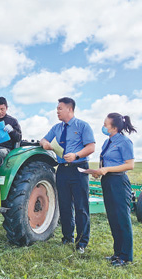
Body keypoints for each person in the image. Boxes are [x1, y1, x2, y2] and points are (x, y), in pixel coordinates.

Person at [40, 97, 95, 253]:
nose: (57, 111)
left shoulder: (83, 126)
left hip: (79, 168)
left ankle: (82, 242)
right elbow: (44, 139)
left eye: (60, 108)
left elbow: (91, 147)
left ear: (70, 109)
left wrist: (76, 155)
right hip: (62, 170)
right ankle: (67, 237)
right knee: (64, 205)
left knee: (81, 206)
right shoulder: (57, 128)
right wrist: (44, 143)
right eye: (57, 108)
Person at [92, 113, 136, 266]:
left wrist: (107, 169)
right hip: (108, 180)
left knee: (122, 219)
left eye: (105, 124)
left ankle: (125, 256)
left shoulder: (124, 142)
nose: (103, 127)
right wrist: (99, 172)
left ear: (114, 127)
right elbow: (105, 162)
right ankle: (117, 253)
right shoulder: (107, 142)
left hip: (118, 181)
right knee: (113, 218)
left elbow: (129, 165)